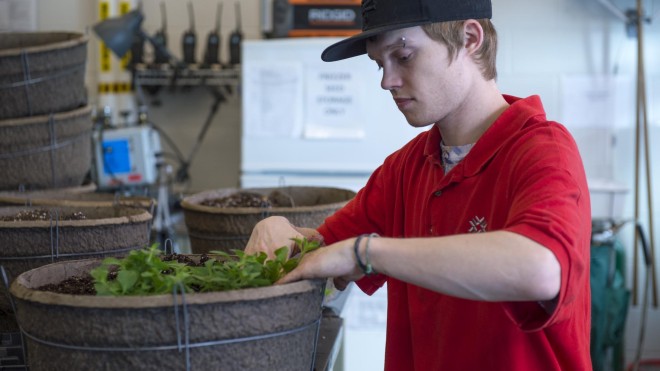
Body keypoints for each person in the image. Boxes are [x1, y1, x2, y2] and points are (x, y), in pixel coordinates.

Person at [245, 0, 592, 369]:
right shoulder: (405, 169)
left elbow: (541, 269)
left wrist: (368, 253)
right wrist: (279, 227)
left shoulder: (542, 151)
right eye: (380, 63)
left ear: (469, 37)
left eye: (404, 56)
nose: (386, 81)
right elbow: (325, 256)